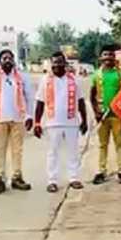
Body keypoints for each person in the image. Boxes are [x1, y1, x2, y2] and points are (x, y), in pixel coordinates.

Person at [0, 49, 34, 194]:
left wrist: (30, 116)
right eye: (4, 58)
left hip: (18, 118)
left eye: (10, 58)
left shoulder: (22, 77)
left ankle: (17, 178)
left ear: (14, 60)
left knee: (17, 150)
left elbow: (29, 97)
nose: (7, 60)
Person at [34, 52, 89, 193]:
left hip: (71, 122)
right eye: (54, 62)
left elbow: (81, 101)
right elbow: (40, 103)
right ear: (51, 64)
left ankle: (74, 178)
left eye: (60, 62)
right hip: (52, 123)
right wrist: (37, 123)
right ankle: (52, 180)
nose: (57, 65)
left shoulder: (74, 80)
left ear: (65, 63)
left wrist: (84, 120)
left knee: (73, 151)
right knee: (53, 153)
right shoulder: (45, 80)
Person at [90, 45, 121, 184]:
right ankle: (101, 170)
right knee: (103, 144)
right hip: (102, 115)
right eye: (105, 55)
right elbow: (92, 95)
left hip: (117, 114)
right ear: (101, 58)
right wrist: (96, 112)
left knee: (119, 142)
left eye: (111, 55)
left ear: (114, 57)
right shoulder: (96, 75)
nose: (108, 57)